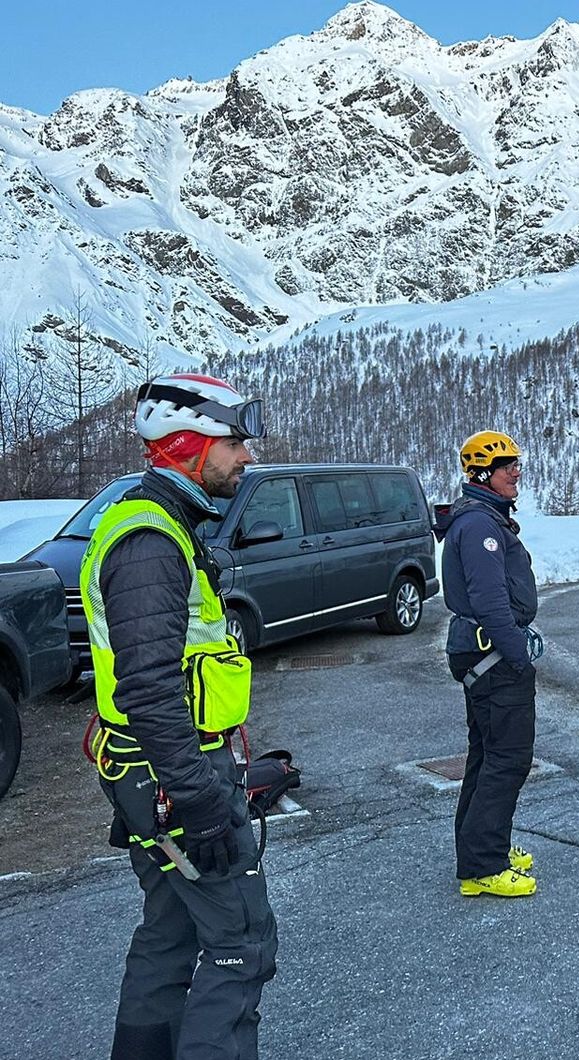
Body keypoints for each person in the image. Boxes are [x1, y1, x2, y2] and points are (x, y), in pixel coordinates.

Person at [82, 373, 277, 1059]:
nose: (246, 457)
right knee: (239, 943)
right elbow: (149, 686)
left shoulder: (164, 526)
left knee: (170, 935)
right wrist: (199, 798)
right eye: (235, 442)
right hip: (172, 777)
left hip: (155, 771)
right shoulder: (149, 543)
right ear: (189, 444)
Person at [436, 431, 540, 898]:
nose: (516, 472)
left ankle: (480, 849)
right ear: (483, 475)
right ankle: (483, 864)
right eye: (507, 466)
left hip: (485, 653)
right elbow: (489, 599)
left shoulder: (483, 519)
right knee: (508, 759)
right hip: (493, 657)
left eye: (516, 463)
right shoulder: (480, 526)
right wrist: (517, 653)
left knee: (487, 756)